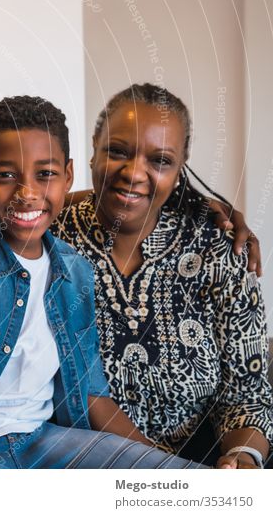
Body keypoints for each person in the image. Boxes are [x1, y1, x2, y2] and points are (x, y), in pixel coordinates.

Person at [0, 96, 202, 469]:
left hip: (42, 443)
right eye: (5, 175)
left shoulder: (73, 271)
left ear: (68, 176)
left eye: (45, 174)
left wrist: (159, 463)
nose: (27, 192)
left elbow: (94, 397)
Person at [55, 83, 273, 468]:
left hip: (201, 461)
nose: (133, 173)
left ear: (179, 167)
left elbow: (247, 396)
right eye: (118, 152)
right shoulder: (48, 239)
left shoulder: (219, 248)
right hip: (81, 464)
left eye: (160, 161)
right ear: (93, 149)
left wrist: (243, 457)